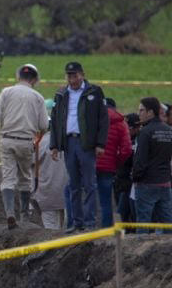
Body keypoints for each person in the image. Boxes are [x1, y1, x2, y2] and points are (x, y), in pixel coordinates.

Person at [0, 63, 48, 228]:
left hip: (8, 140)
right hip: (26, 142)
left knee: (8, 179)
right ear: (34, 79)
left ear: (18, 77)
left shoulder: (6, 92)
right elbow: (43, 125)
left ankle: (10, 213)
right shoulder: (38, 97)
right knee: (25, 178)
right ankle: (24, 216)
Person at [49, 61, 109, 232]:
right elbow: (55, 121)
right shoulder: (61, 94)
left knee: (89, 184)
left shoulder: (94, 92)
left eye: (75, 76)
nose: (72, 79)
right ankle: (77, 223)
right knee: (73, 185)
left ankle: (90, 223)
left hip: (86, 143)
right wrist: (54, 145)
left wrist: (100, 143)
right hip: (69, 143)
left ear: (82, 75)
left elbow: (103, 119)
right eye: (69, 76)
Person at [132, 97, 172, 233]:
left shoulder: (145, 132)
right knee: (167, 223)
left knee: (143, 224)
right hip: (165, 183)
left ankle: (140, 248)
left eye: (141, 110)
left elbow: (140, 160)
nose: (139, 113)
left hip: (146, 183)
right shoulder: (169, 130)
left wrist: (135, 178)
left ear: (150, 112)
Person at [95, 98, 132, 228]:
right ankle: (106, 230)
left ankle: (88, 229)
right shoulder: (121, 122)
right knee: (106, 201)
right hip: (108, 167)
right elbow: (127, 149)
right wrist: (117, 163)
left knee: (88, 197)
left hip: (90, 164)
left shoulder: (93, 119)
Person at [115, 113, 141, 227]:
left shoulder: (138, 141)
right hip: (121, 182)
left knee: (124, 213)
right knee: (123, 213)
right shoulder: (122, 139)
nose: (125, 131)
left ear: (136, 128)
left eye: (128, 128)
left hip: (131, 183)